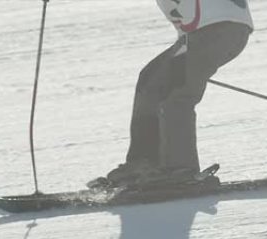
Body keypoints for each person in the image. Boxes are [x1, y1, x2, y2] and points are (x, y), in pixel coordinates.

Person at [105, 0, 254, 186]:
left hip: (219, 29)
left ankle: (181, 169)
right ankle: (144, 162)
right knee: (150, 81)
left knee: (177, 96)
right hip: (200, 35)